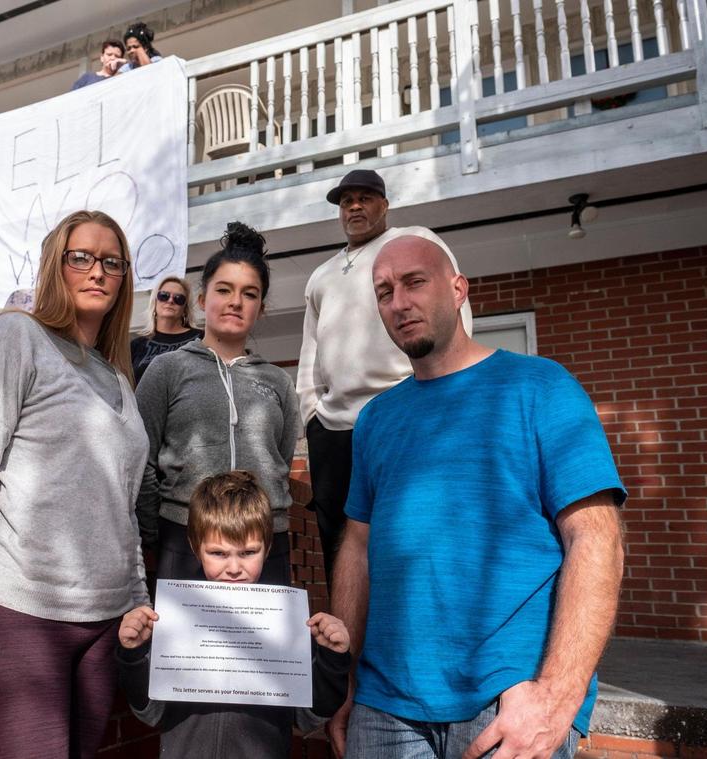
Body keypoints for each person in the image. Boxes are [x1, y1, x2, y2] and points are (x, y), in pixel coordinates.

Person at [329, 234, 626, 759]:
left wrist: (558, 695)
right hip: (383, 706)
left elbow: (597, 540)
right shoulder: (375, 419)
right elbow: (357, 548)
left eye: (415, 282)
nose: (399, 303)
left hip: (508, 701)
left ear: (458, 289)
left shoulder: (541, 387)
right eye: (384, 292)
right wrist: (344, 681)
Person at [0, 210, 150, 759]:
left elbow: (122, 508)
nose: (97, 271)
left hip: (106, 625)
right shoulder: (16, 337)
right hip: (25, 618)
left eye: (112, 262)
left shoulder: (119, 379)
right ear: (56, 264)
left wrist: (138, 601)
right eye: (81, 257)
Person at [295, 169, 473, 586]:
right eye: (346, 201)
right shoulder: (321, 275)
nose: (354, 206)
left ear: (385, 204)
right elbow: (309, 351)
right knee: (338, 538)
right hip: (334, 429)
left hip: (404, 412)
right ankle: (345, 627)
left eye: (365, 197)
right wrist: (311, 415)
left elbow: (454, 316)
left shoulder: (414, 241)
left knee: (409, 532)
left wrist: (447, 395)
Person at [117, 471, 352, 759]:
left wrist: (332, 659)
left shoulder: (287, 625)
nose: (234, 568)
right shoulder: (172, 621)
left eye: (248, 552)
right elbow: (150, 711)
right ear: (196, 549)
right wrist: (134, 654)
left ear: (267, 549)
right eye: (218, 553)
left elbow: (308, 716)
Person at [135, 222, 300, 583]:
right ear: (201, 299)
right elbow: (141, 458)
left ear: (261, 307)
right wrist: (157, 529)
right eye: (223, 290)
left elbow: (282, 460)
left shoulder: (279, 382)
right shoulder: (167, 369)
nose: (235, 302)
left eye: (249, 294)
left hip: (266, 544)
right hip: (183, 539)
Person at [130, 276, 203, 385]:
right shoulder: (137, 345)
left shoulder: (201, 338)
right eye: (164, 296)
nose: (170, 301)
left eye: (178, 298)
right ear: (155, 302)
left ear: (185, 308)